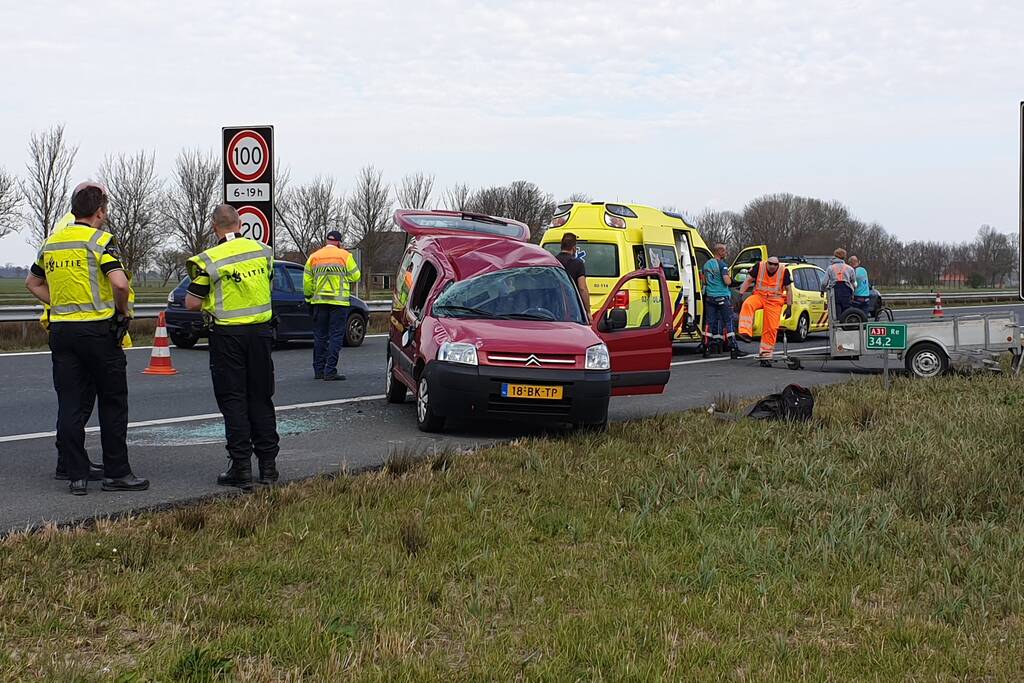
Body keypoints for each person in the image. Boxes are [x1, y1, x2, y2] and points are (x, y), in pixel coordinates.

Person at [24, 182, 148, 495]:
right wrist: (121, 312)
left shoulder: (51, 243)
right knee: (112, 402)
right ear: (99, 212)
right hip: (98, 331)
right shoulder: (100, 241)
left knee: (70, 402)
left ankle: (76, 474)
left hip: (62, 331)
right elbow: (119, 284)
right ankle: (117, 473)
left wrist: (59, 303)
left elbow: (32, 283)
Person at [185, 205, 280, 488]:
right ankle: (269, 468)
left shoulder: (210, 259)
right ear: (240, 224)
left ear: (214, 227)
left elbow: (191, 302)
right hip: (261, 334)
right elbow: (267, 286)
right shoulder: (264, 252)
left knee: (233, 400)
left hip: (227, 337)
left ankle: (241, 468)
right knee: (261, 398)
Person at [303, 230, 361, 381]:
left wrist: (308, 298)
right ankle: (330, 370)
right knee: (335, 336)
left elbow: (307, 282)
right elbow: (356, 276)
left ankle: (318, 371)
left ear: (326, 241)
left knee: (320, 337)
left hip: (319, 302)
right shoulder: (345, 256)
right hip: (338, 303)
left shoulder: (314, 257)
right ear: (339, 242)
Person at [737, 255, 794, 365]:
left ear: (778, 265)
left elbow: (788, 289)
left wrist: (789, 306)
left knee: (771, 328)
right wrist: (740, 294)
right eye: (770, 264)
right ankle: (745, 333)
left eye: (775, 264)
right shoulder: (759, 266)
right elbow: (748, 280)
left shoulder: (784, 271)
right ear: (767, 263)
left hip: (774, 300)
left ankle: (765, 356)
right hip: (760, 296)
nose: (772, 266)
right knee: (748, 304)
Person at [700, 244, 746, 359]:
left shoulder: (706, 265)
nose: (726, 253)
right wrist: (731, 280)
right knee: (728, 321)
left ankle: (706, 347)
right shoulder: (722, 265)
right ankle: (734, 348)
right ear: (720, 251)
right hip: (722, 296)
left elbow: (704, 281)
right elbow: (727, 281)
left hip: (710, 297)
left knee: (709, 322)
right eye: (725, 251)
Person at [554, 232, 590, 313]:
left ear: (561, 246)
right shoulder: (577, 263)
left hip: (555, 307)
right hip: (573, 307)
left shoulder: (553, 261)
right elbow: (582, 289)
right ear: (574, 247)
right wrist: (588, 311)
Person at [821, 248, 856, 316]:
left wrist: (822, 290)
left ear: (835, 256)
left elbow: (824, 283)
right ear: (844, 257)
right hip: (846, 292)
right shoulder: (850, 268)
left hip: (835, 292)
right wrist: (853, 291)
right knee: (847, 313)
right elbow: (854, 282)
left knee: (836, 313)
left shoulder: (830, 268)